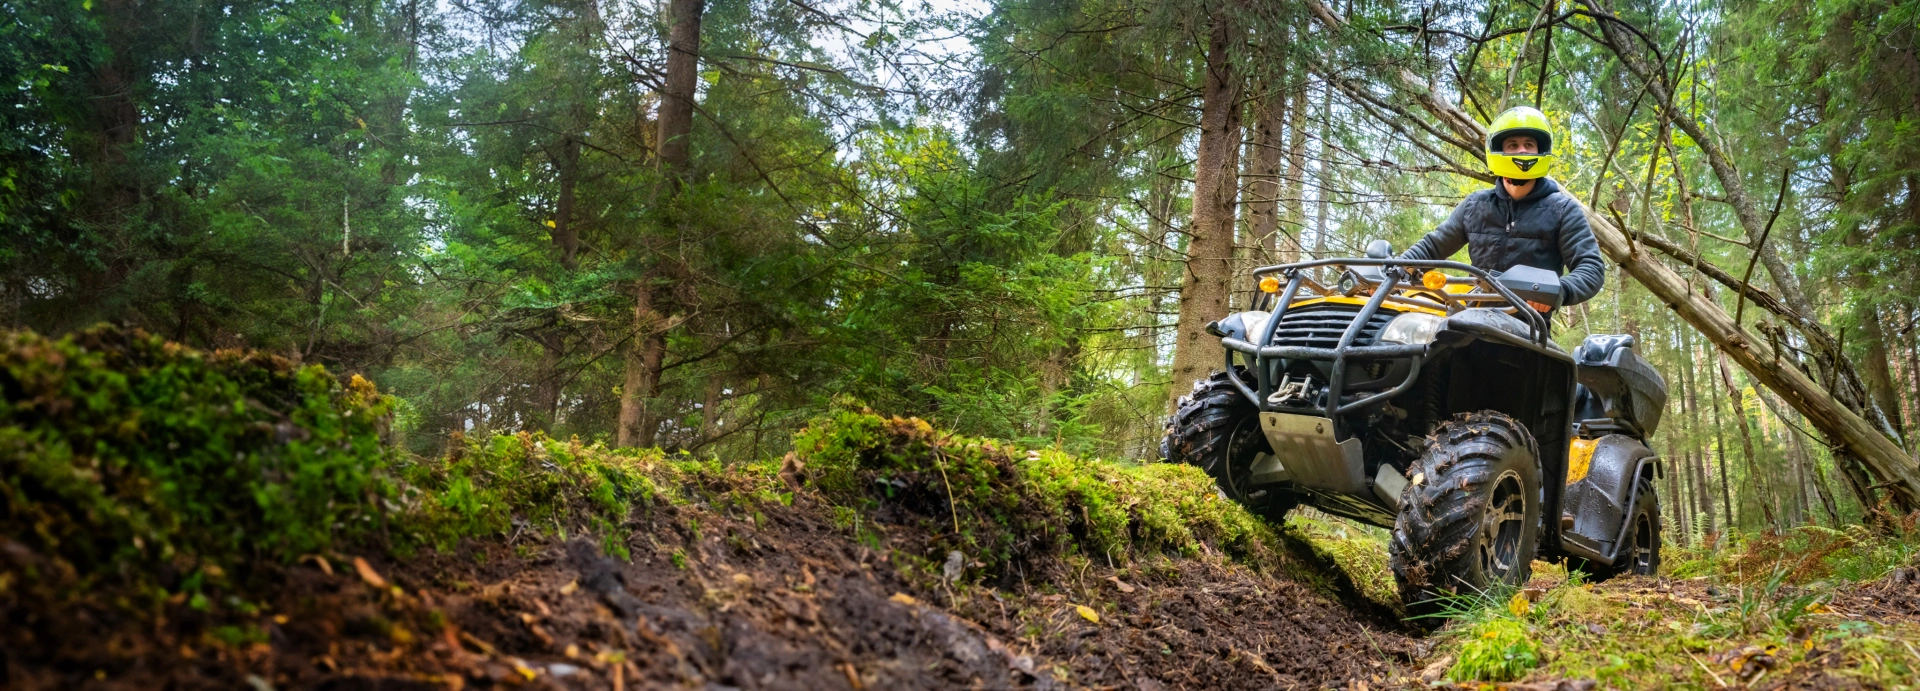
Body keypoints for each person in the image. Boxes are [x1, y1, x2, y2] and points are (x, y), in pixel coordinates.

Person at [1399, 106, 1605, 313]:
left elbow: (1590, 267)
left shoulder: (1563, 210)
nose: (1522, 151)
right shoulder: (1475, 205)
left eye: (1529, 145)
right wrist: (1396, 269)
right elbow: (1432, 247)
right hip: (1470, 317)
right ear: (1498, 150)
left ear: (1540, 150)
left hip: (1528, 323)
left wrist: (1558, 290)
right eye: (1513, 145)